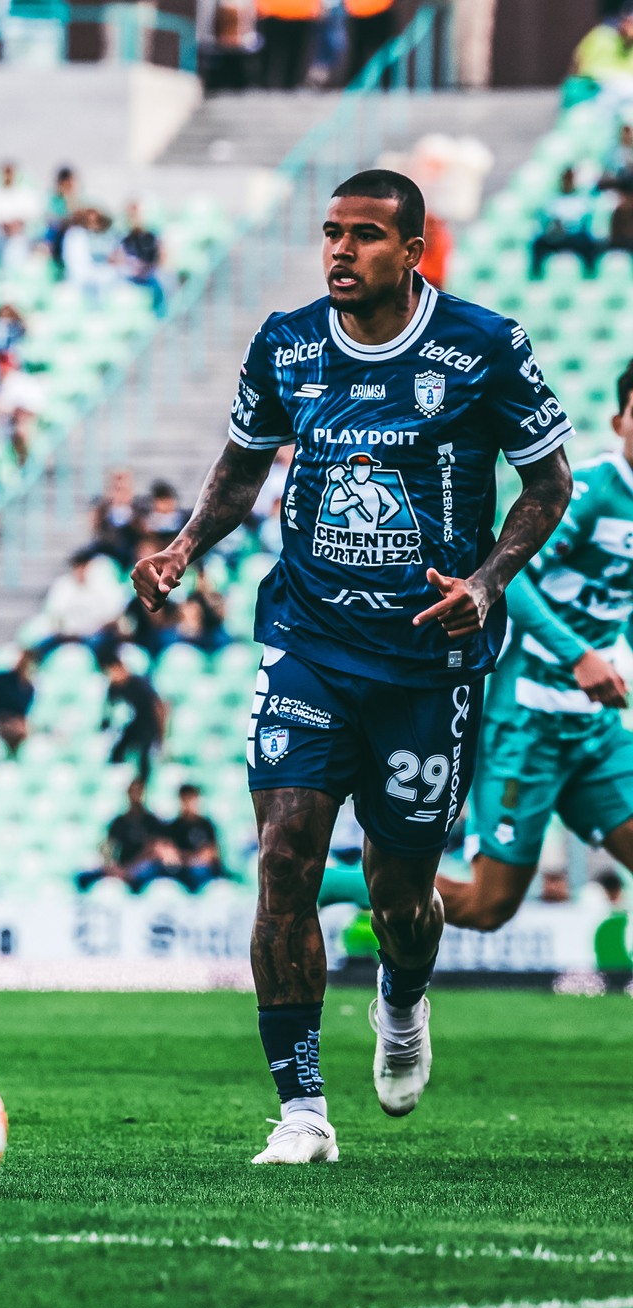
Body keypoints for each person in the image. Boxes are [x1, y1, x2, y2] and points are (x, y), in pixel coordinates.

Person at [132, 168, 572, 1165]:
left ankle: (402, 999)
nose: (340, 250)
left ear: (411, 252)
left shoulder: (482, 346)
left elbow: (548, 483)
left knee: (399, 898)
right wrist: (183, 546)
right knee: (284, 854)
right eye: (331, 232)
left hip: (428, 659)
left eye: (365, 235)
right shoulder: (284, 344)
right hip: (309, 641)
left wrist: (489, 578)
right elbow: (242, 464)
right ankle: (301, 1112)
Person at [436, 362, 633, 938]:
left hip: (595, 727)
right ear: (619, 422)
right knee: (488, 907)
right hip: (527, 721)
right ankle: (330, 884)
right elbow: (508, 577)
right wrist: (579, 655)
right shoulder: (591, 491)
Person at [101, 654, 164, 779]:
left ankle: (144, 781)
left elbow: (158, 706)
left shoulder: (139, 684)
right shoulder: (114, 687)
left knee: (144, 754)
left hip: (148, 724)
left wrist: (161, 733)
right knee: (118, 749)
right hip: (133, 723)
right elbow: (110, 709)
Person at [530, 168, 600, 280]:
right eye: (565, 180)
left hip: (575, 237)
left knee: (587, 241)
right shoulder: (552, 200)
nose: (567, 183)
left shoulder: (582, 200)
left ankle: (589, 272)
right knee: (539, 242)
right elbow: (546, 221)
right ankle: (536, 274)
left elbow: (584, 222)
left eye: (570, 180)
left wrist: (570, 227)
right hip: (556, 237)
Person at [166, 783, 225, 891]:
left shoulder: (206, 824)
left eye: (191, 798)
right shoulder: (174, 826)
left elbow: (214, 852)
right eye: (185, 799)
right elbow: (172, 854)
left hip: (204, 869)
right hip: (184, 870)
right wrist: (191, 858)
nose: (189, 803)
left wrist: (195, 858)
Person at [255, 0, 320, 90]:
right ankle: (267, 84)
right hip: (273, 12)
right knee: (269, 53)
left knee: (297, 53)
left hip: (301, 13)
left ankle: (290, 84)